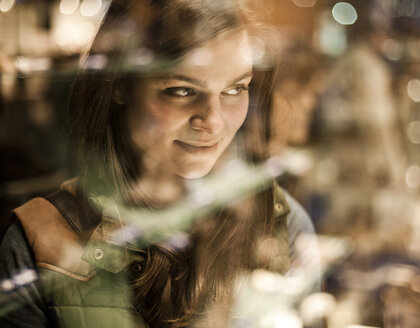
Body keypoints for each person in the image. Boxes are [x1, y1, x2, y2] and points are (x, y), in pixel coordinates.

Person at [0, 0, 319, 327]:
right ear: (121, 85)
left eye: (235, 88)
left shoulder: (276, 219)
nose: (214, 121)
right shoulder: (38, 242)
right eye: (182, 90)